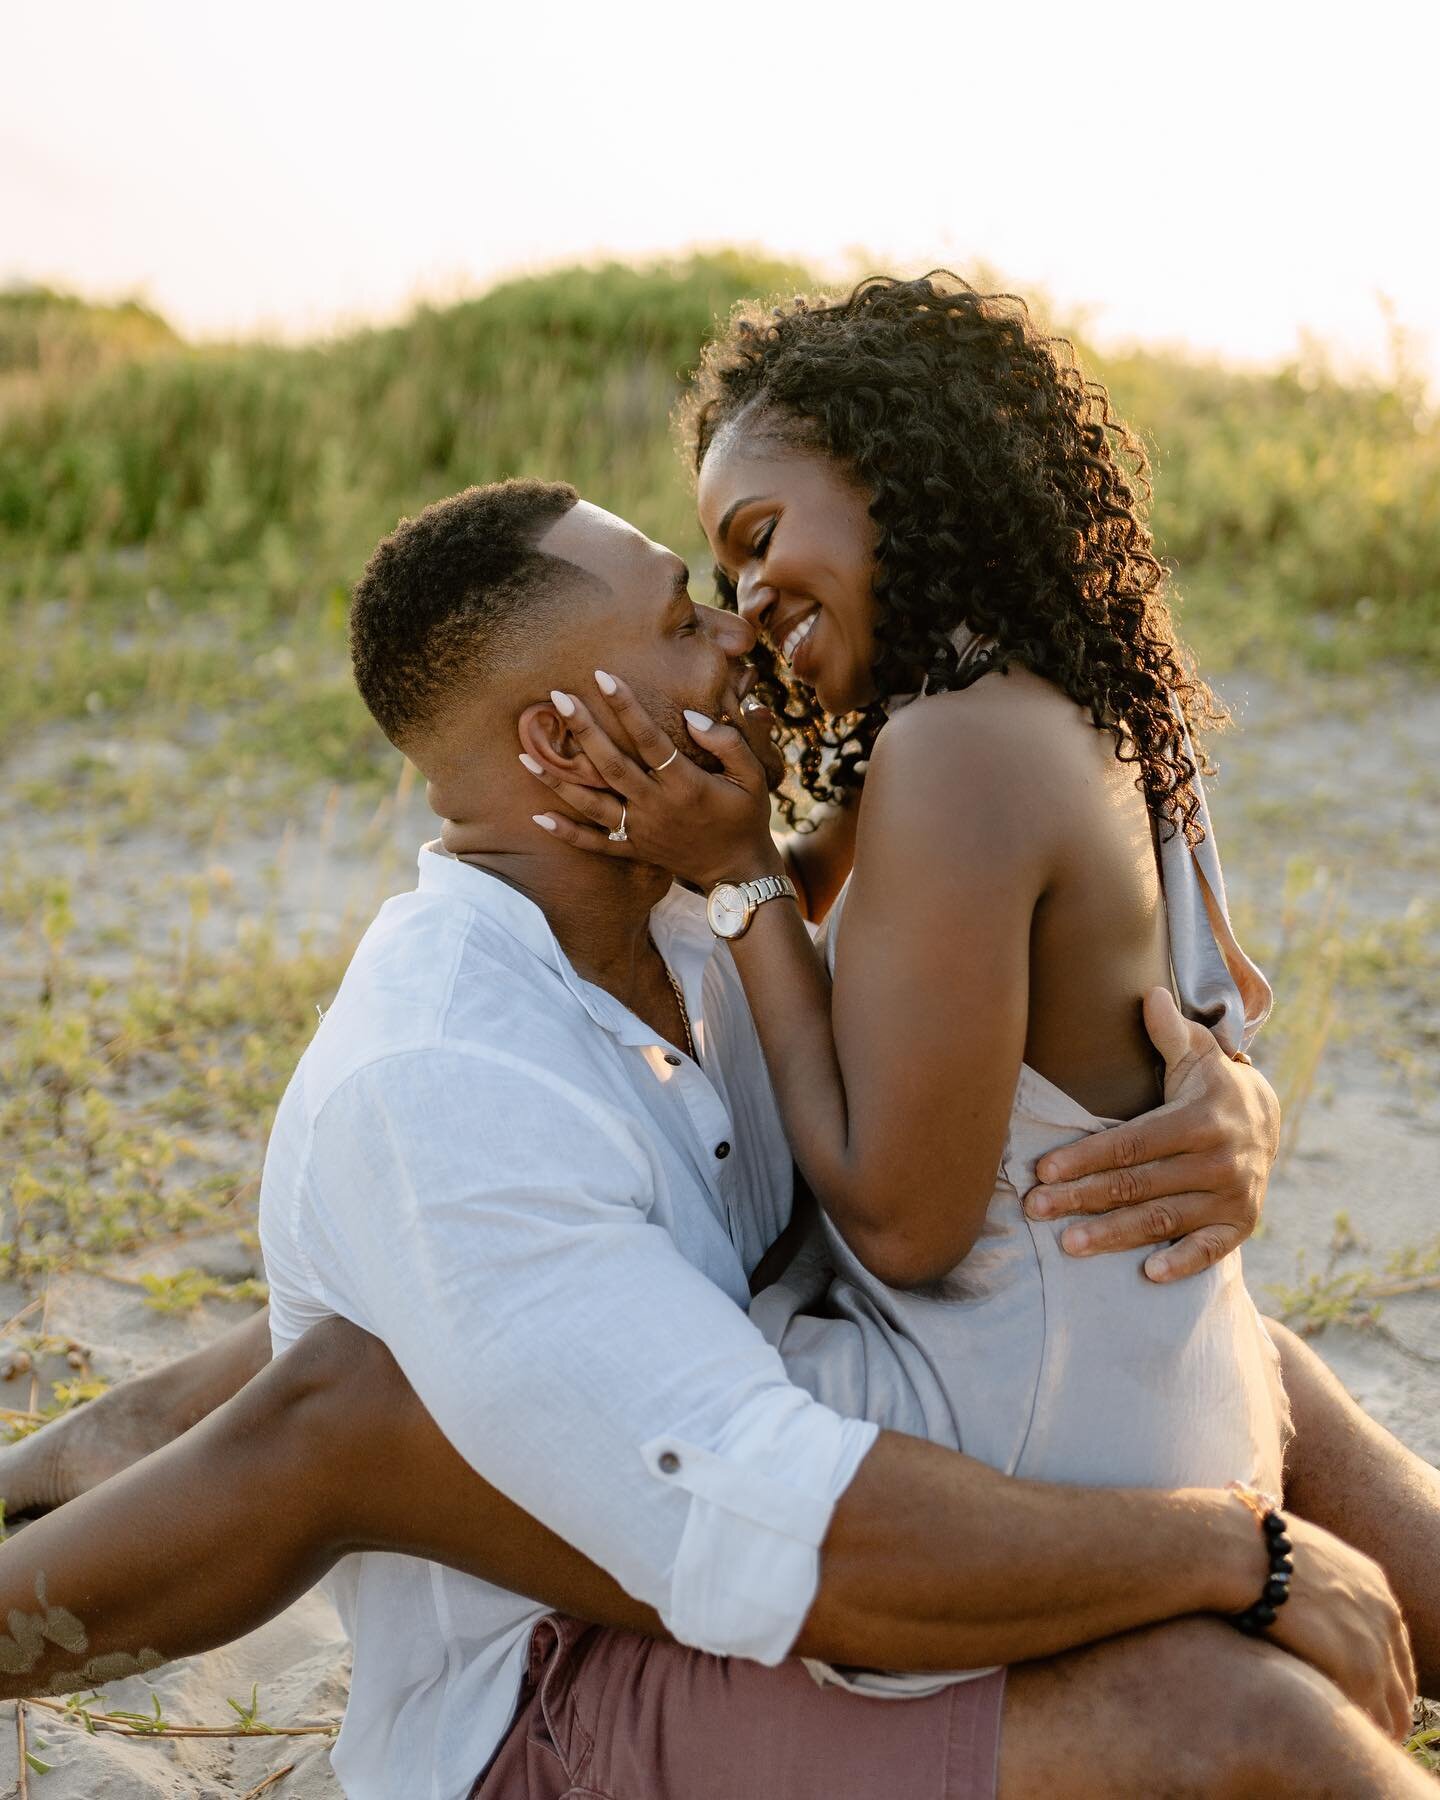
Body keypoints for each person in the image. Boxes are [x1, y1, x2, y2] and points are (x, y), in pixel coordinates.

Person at [0, 477, 1430, 1800]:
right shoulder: (445, 1080)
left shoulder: (704, 924)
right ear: (563, 741)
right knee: (1234, 1721)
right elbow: (789, 1535)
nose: (739, 632)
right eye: (684, 620)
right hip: (554, 1692)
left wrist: (1223, 1103)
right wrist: (1237, 1554)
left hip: (743, 1524)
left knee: (1261, 1371)